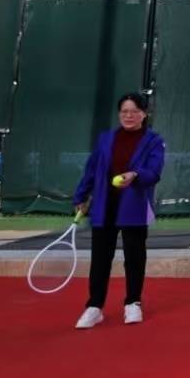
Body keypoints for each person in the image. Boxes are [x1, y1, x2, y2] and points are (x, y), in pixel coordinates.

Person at [70, 92, 165, 329]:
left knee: (134, 257)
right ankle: (94, 307)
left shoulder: (154, 141)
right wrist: (81, 195)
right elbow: (91, 169)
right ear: (119, 114)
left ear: (144, 114)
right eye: (124, 111)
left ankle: (133, 303)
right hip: (104, 206)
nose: (129, 116)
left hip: (134, 206)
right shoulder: (105, 139)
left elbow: (154, 172)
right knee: (100, 258)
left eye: (134, 111)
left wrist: (135, 175)